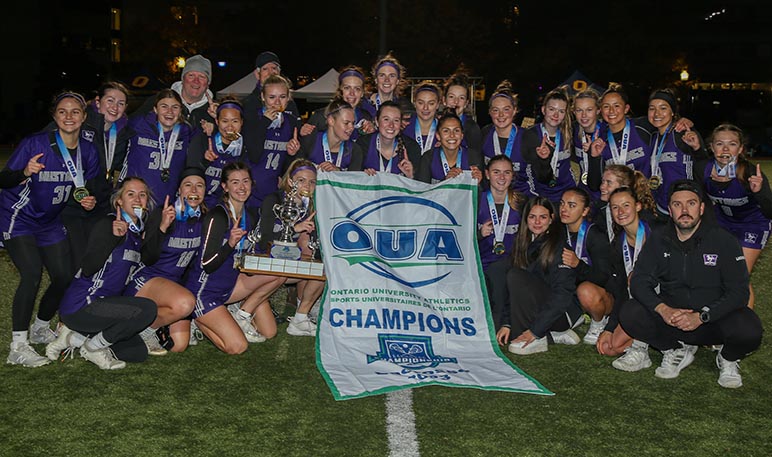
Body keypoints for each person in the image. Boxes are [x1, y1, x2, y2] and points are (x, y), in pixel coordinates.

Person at [620, 180, 762, 388]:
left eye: (691, 203)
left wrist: (702, 316)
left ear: (702, 208)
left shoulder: (724, 241)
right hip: (672, 320)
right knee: (630, 312)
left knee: (750, 329)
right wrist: (663, 309)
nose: (684, 210)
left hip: (711, 321)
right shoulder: (659, 239)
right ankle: (673, 349)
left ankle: (728, 358)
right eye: (677, 205)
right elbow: (640, 281)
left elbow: (739, 292)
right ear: (669, 209)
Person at [1, 91, 100, 367]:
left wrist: (87, 200)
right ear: (54, 116)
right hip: (17, 216)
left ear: (84, 116)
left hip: (49, 220)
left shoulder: (88, 150)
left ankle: (40, 326)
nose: (69, 117)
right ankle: (18, 346)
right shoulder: (35, 143)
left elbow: (84, 187)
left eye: (75, 112)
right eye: (62, 112)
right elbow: (3, 179)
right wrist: (23, 172)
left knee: (64, 276)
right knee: (31, 273)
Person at [45, 177, 158, 370]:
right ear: (119, 201)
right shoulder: (109, 224)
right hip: (83, 305)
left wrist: (161, 230)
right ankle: (92, 347)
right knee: (147, 309)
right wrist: (113, 238)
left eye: (142, 195)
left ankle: (74, 337)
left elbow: (150, 259)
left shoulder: (136, 232)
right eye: (130, 194)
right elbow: (88, 267)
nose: (138, 199)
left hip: (105, 308)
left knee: (136, 353)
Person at [184, 162, 284, 354]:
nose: (242, 187)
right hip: (204, 292)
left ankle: (241, 313)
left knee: (269, 329)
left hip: (230, 287)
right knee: (237, 347)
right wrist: (230, 244)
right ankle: (197, 320)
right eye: (235, 182)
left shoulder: (250, 215)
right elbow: (207, 265)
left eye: (245, 181)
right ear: (225, 186)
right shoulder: (218, 216)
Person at [123, 168, 206, 354]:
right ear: (179, 190)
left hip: (173, 285)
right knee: (185, 304)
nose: (194, 190)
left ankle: (152, 321)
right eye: (188, 185)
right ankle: (144, 328)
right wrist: (162, 226)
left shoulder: (204, 219)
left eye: (199, 186)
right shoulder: (163, 212)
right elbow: (147, 257)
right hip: (148, 280)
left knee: (179, 345)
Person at [696, 124, 772, 309]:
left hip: (753, 224)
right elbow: (701, 200)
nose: (725, 149)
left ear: (740, 148)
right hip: (724, 222)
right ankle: (720, 320)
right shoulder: (702, 169)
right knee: (716, 273)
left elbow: (770, 210)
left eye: (731, 144)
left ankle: (745, 327)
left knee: (739, 275)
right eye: (719, 143)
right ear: (712, 147)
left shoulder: (750, 173)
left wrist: (760, 192)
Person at [496, 197, 583, 355]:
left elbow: (562, 295)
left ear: (551, 219)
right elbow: (512, 291)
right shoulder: (523, 242)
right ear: (526, 219)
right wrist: (506, 323)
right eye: (532, 216)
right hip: (542, 308)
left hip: (563, 313)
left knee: (515, 276)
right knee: (509, 274)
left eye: (543, 217)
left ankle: (540, 338)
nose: (537, 222)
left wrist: (534, 332)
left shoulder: (559, 246)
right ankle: (552, 335)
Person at [257, 160, 326, 336]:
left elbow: (313, 247)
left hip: (288, 263)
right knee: (268, 331)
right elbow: (263, 238)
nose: (307, 186)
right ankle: (243, 308)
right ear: (290, 181)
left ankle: (300, 317)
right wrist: (295, 228)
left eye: (312, 182)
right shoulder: (274, 200)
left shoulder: (310, 206)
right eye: (301, 180)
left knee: (324, 269)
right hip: (264, 261)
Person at [596, 185, 657, 370]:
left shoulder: (658, 233)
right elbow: (621, 289)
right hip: (636, 305)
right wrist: (609, 327)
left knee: (638, 278)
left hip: (667, 299)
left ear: (638, 206)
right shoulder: (618, 243)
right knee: (610, 347)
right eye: (615, 207)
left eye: (626, 205)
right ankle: (647, 335)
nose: (620, 212)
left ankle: (643, 346)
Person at [558, 188, 612, 344]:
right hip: (570, 293)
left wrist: (578, 264)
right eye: (562, 203)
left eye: (572, 205)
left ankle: (599, 321)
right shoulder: (560, 230)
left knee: (586, 290)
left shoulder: (595, 234)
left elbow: (604, 278)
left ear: (585, 211)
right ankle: (577, 315)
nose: (564, 209)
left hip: (600, 294)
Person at [122, 89, 196, 203]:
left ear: (181, 110)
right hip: (136, 199)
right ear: (155, 109)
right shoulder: (138, 124)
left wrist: (212, 127)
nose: (169, 112)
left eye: (175, 107)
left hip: (167, 201)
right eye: (164, 106)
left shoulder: (186, 131)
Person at [241, 75, 301, 209]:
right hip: (248, 191)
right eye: (272, 97)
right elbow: (254, 155)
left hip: (273, 191)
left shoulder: (290, 122)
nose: (277, 102)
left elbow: (286, 163)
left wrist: (292, 153)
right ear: (263, 97)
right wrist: (264, 122)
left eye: (283, 97)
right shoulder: (252, 118)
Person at [478, 155, 523, 329]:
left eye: (507, 172)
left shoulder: (520, 202)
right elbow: (461, 234)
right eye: (496, 172)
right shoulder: (475, 199)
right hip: (481, 261)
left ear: (513, 176)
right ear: (487, 174)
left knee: (498, 273)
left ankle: (500, 325)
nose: (502, 177)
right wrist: (479, 234)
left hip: (511, 260)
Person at [646, 88, 706, 215]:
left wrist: (697, 148)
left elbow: (703, 163)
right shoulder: (653, 137)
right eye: (652, 108)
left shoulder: (682, 133)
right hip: (662, 207)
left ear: (673, 112)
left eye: (663, 108)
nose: (657, 113)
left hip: (685, 209)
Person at [187, 98, 249, 209]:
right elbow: (190, 174)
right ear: (217, 121)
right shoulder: (203, 140)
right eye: (225, 121)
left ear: (242, 122)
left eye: (235, 121)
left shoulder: (246, 147)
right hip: (200, 204)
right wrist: (204, 161)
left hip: (227, 206)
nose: (230, 126)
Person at [132, 54, 214, 129]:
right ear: (183, 79)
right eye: (191, 75)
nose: (196, 81)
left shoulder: (215, 112)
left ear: (208, 83)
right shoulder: (157, 102)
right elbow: (129, 127)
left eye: (202, 77)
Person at [521, 87, 574, 203]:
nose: (556, 115)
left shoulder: (569, 132)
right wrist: (544, 159)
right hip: (540, 194)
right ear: (543, 110)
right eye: (552, 109)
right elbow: (539, 176)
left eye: (561, 111)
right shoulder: (531, 135)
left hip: (567, 194)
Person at [588, 83, 653, 178]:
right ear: (601, 110)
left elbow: (666, 124)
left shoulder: (642, 126)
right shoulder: (600, 139)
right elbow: (594, 185)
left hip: (643, 191)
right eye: (606, 106)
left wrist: (681, 121)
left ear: (626, 109)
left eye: (616, 106)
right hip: (616, 192)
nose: (611, 111)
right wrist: (594, 158)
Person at [481, 81, 533, 196]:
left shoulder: (527, 137)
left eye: (506, 109)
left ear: (514, 111)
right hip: (491, 200)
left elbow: (538, 177)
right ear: (490, 112)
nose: (500, 115)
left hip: (521, 199)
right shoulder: (484, 134)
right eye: (495, 110)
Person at [302, 66, 375, 141]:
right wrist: (301, 135)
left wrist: (372, 134)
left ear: (362, 93)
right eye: (347, 88)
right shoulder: (321, 117)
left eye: (357, 89)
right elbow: (305, 148)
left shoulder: (366, 118)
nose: (352, 93)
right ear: (340, 90)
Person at [354, 100, 420, 178]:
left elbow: (420, 186)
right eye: (386, 119)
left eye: (396, 120)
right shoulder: (363, 144)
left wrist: (411, 176)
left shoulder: (412, 147)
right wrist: (362, 176)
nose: (391, 125)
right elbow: (353, 179)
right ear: (377, 121)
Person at [416, 110, 483, 184]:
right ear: (438, 136)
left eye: (456, 130)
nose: (452, 135)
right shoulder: (428, 158)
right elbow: (422, 191)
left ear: (462, 135)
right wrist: (445, 182)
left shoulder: (473, 156)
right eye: (446, 131)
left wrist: (478, 184)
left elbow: (481, 192)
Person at [298, 98, 363, 171]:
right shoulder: (310, 142)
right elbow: (296, 172)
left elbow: (355, 180)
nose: (351, 127)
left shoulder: (355, 150)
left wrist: (338, 171)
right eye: (346, 123)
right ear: (331, 121)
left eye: (353, 123)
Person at [242, 51, 301, 123]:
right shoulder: (249, 103)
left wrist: (302, 130)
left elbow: (297, 125)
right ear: (257, 74)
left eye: (274, 68)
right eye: (265, 69)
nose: (270, 73)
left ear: (279, 72)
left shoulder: (289, 102)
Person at [572, 88, 603, 202]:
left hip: (604, 196)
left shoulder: (606, 132)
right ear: (574, 112)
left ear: (598, 110)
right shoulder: (572, 132)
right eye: (579, 110)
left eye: (589, 110)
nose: (584, 115)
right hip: (583, 195)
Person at [443, 72, 482, 151]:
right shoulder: (435, 124)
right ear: (444, 100)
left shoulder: (472, 128)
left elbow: (475, 157)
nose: (456, 101)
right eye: (451, 97)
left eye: (461, 98)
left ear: (466, 103)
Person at [361, 53, 408, 118]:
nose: (387, 80)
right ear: (376, 80)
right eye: (382, 75)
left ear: (397, 81)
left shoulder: (404, 109)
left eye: (392, 76)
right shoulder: (363, 106)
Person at [402, 81, 442, 155]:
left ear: (437, 105)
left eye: (431, 103)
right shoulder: (404, 127)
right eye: (421, 103)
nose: (425, 108)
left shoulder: (445, 130)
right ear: (414, 103)